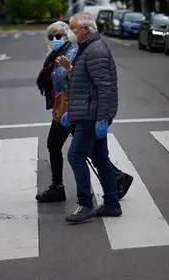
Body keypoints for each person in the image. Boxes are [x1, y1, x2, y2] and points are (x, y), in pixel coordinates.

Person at [35, 21, 134, 203]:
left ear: (67, 36)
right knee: (69, 147)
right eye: (51, 37)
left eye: (58, 36)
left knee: (80, 150)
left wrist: (69, 70)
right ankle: (115, 178)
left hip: (73, 109)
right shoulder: (55, 55)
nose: (54, 40)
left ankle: (77, 192)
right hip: (62, 109)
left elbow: (83, 83)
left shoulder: (72, 55)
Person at [60, 12, 123, 223]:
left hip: (92, 115)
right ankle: (112, 204)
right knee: (99, 158)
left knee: (75, 156)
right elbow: (83, 85)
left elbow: (104, 88)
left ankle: (85, 204)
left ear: (85, 30)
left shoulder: (94, 51)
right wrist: (72, 112)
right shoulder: (87, 48)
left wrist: (102, 119)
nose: (70, 32)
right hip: (87, 113)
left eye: (73, 28)